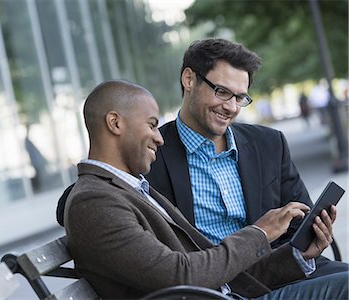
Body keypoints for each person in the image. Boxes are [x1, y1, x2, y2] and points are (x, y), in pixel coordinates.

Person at [63, 79, 347, 299]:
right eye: (151, 125)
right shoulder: (94, 200)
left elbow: (209, 268)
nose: (159, 138)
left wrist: (298, 255)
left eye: (240, 97)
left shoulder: (132, 189)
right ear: (115, 123)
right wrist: (259, 233)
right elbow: (181, 275)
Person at [143, 39, 348, 278]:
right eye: (222, 92)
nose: (231, 107)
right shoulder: (151, 156)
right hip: (214, 287)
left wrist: (312, 239)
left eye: (240, 98)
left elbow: (298, 224)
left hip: (282, 271)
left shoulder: (270, 143)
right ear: (189, 79)